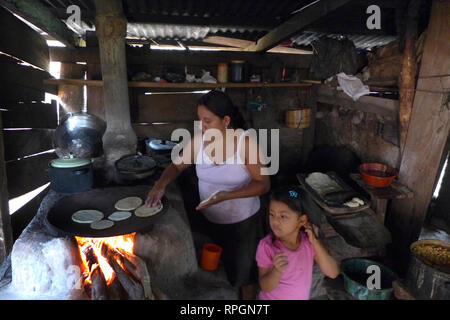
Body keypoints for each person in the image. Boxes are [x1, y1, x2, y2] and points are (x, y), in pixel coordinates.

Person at [146, 90, 270, 299]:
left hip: (243, 224)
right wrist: (160, 184)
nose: (202, 127)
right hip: (209, 219)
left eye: (207, 121)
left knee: (244, 276)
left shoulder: (246, 144)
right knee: (215, 270)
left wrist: (227, 196)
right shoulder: (198, 142)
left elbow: (263, 184)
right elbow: (176, 166)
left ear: (226, 120)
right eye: (200, 121)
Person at [256, 186, 339, 300]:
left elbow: (333, 272)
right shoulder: (267, 246)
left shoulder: (308, 243)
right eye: (272, 214)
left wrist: (315, 241)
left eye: (283, 216)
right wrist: (276, 271)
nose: (275, 221)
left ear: (302, 220)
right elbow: (265, 287)